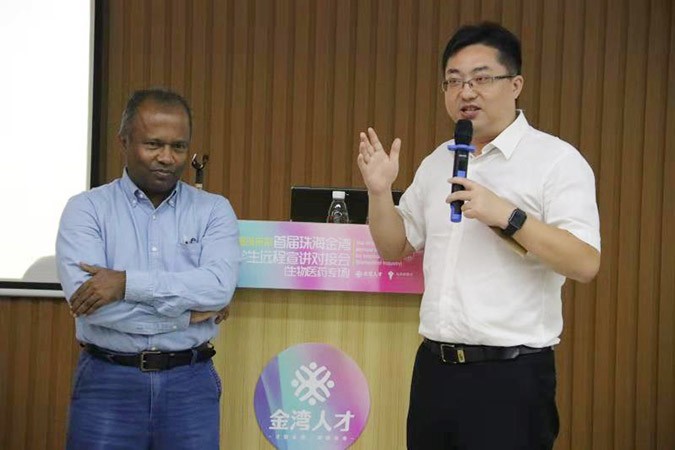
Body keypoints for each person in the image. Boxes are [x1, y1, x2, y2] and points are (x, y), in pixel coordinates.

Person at [357, 22, 600, 450]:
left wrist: (507, 215)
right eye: (453, 81)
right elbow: (394, 248)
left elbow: (584, 262)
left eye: (481, 79)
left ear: (515, 85)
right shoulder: (438, 162)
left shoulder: (556, 161)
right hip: (435, 368)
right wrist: (379, 192)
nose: (465, 92)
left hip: (510, 377)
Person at [56, 88, 241, 449]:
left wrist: (126, 284)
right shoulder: (86, 210)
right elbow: (91, 306)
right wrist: (186, 316)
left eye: (178, 147)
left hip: (189, 383)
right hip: (108, 382)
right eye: (153, 144)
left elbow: (218, 288)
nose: (167, 158)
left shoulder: (214, 210)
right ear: (123, 142)